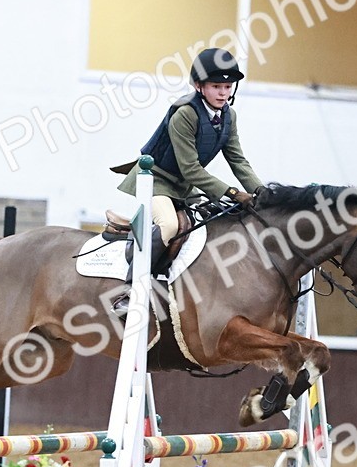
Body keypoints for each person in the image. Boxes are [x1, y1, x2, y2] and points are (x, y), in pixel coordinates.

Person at [111, 47, 265, 314]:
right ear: (198, 86)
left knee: (217, 220)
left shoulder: (229, 116)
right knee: (170, 225)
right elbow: (191, 168)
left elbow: (238, 160)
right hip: (155, 181)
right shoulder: (185, 114)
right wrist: (232, 192)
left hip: (183, 187)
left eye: (228, 87)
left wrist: (261, 192)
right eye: (216, 86)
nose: (223, 93)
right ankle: (130, 290)